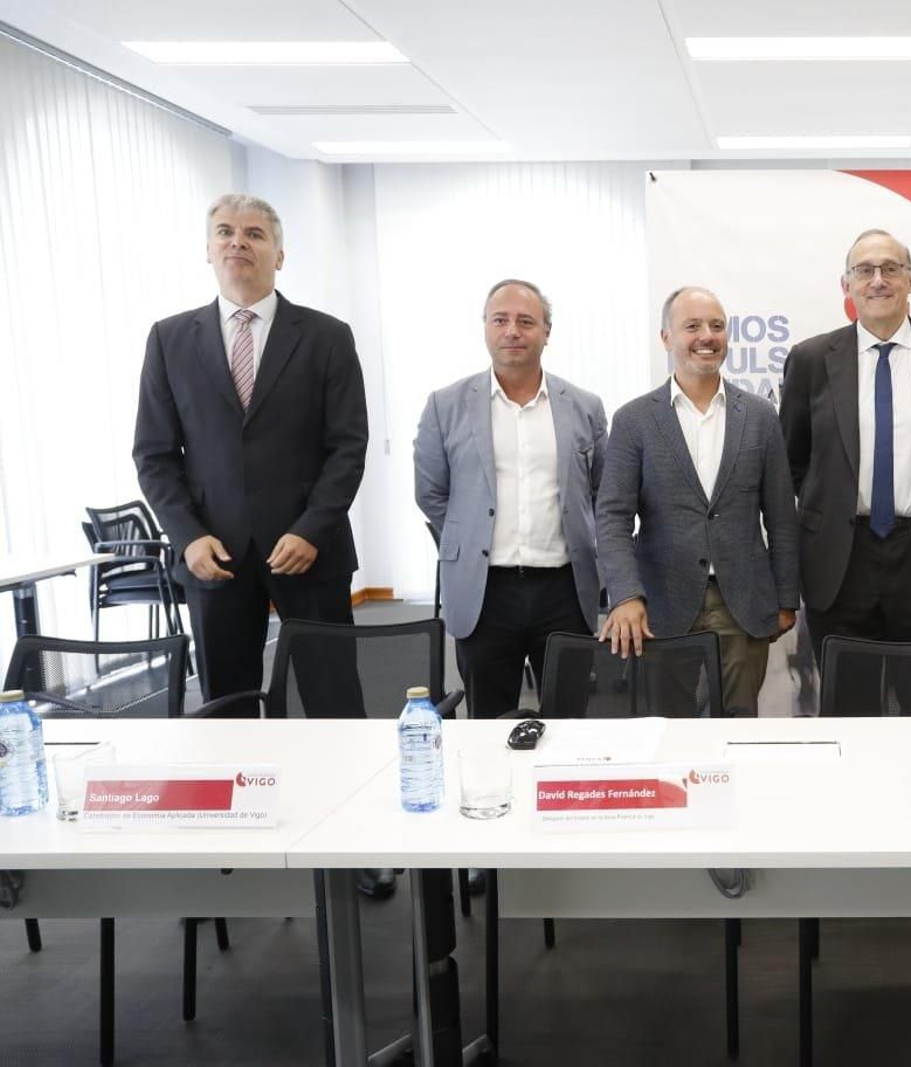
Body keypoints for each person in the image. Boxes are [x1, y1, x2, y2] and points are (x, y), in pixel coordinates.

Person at [132, 194, 381, 896]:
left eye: (254, 234)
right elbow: (155, 455)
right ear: (207, 249)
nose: (237, 243)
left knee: (335, 701)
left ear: (279, 251)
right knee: (229, 704)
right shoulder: (170, 338)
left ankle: (359, 843)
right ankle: (240, 837)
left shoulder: (326, 336)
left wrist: (312, 526)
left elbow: (348, 446)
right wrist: (187, 537)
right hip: (215, 558)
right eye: (224, 233)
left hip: (311, 551)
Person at [779, 229, 911, 715]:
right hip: (840, 559)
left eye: (891, 268)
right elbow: (794, 457)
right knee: (849, 705)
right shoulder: (811, 360)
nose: (878, 279)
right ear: (845, 284)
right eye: (864, 270)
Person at [596, 286, 799, 717]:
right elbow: (612, 518)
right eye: (692, 326)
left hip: (742, 603)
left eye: (717, 326)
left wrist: (786, 598)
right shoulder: (634, 420)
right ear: (666, 338)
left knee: (738, 727)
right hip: (660, 605)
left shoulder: (761, 416)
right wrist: (626, 595)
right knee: (668, 730)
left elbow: (782, 517)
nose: (707, 336)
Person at [413, 279, 607, 718]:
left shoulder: (584, 406)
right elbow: (431, 493)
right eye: (500, 320)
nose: (512, 331)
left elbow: (601, 491)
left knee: (568, 720)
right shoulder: (446, 406)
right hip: (485, 592)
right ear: (485, 327)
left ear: (546, 331)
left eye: (526, 321)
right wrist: (471, 535)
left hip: (565, 589)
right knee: (487, 723)